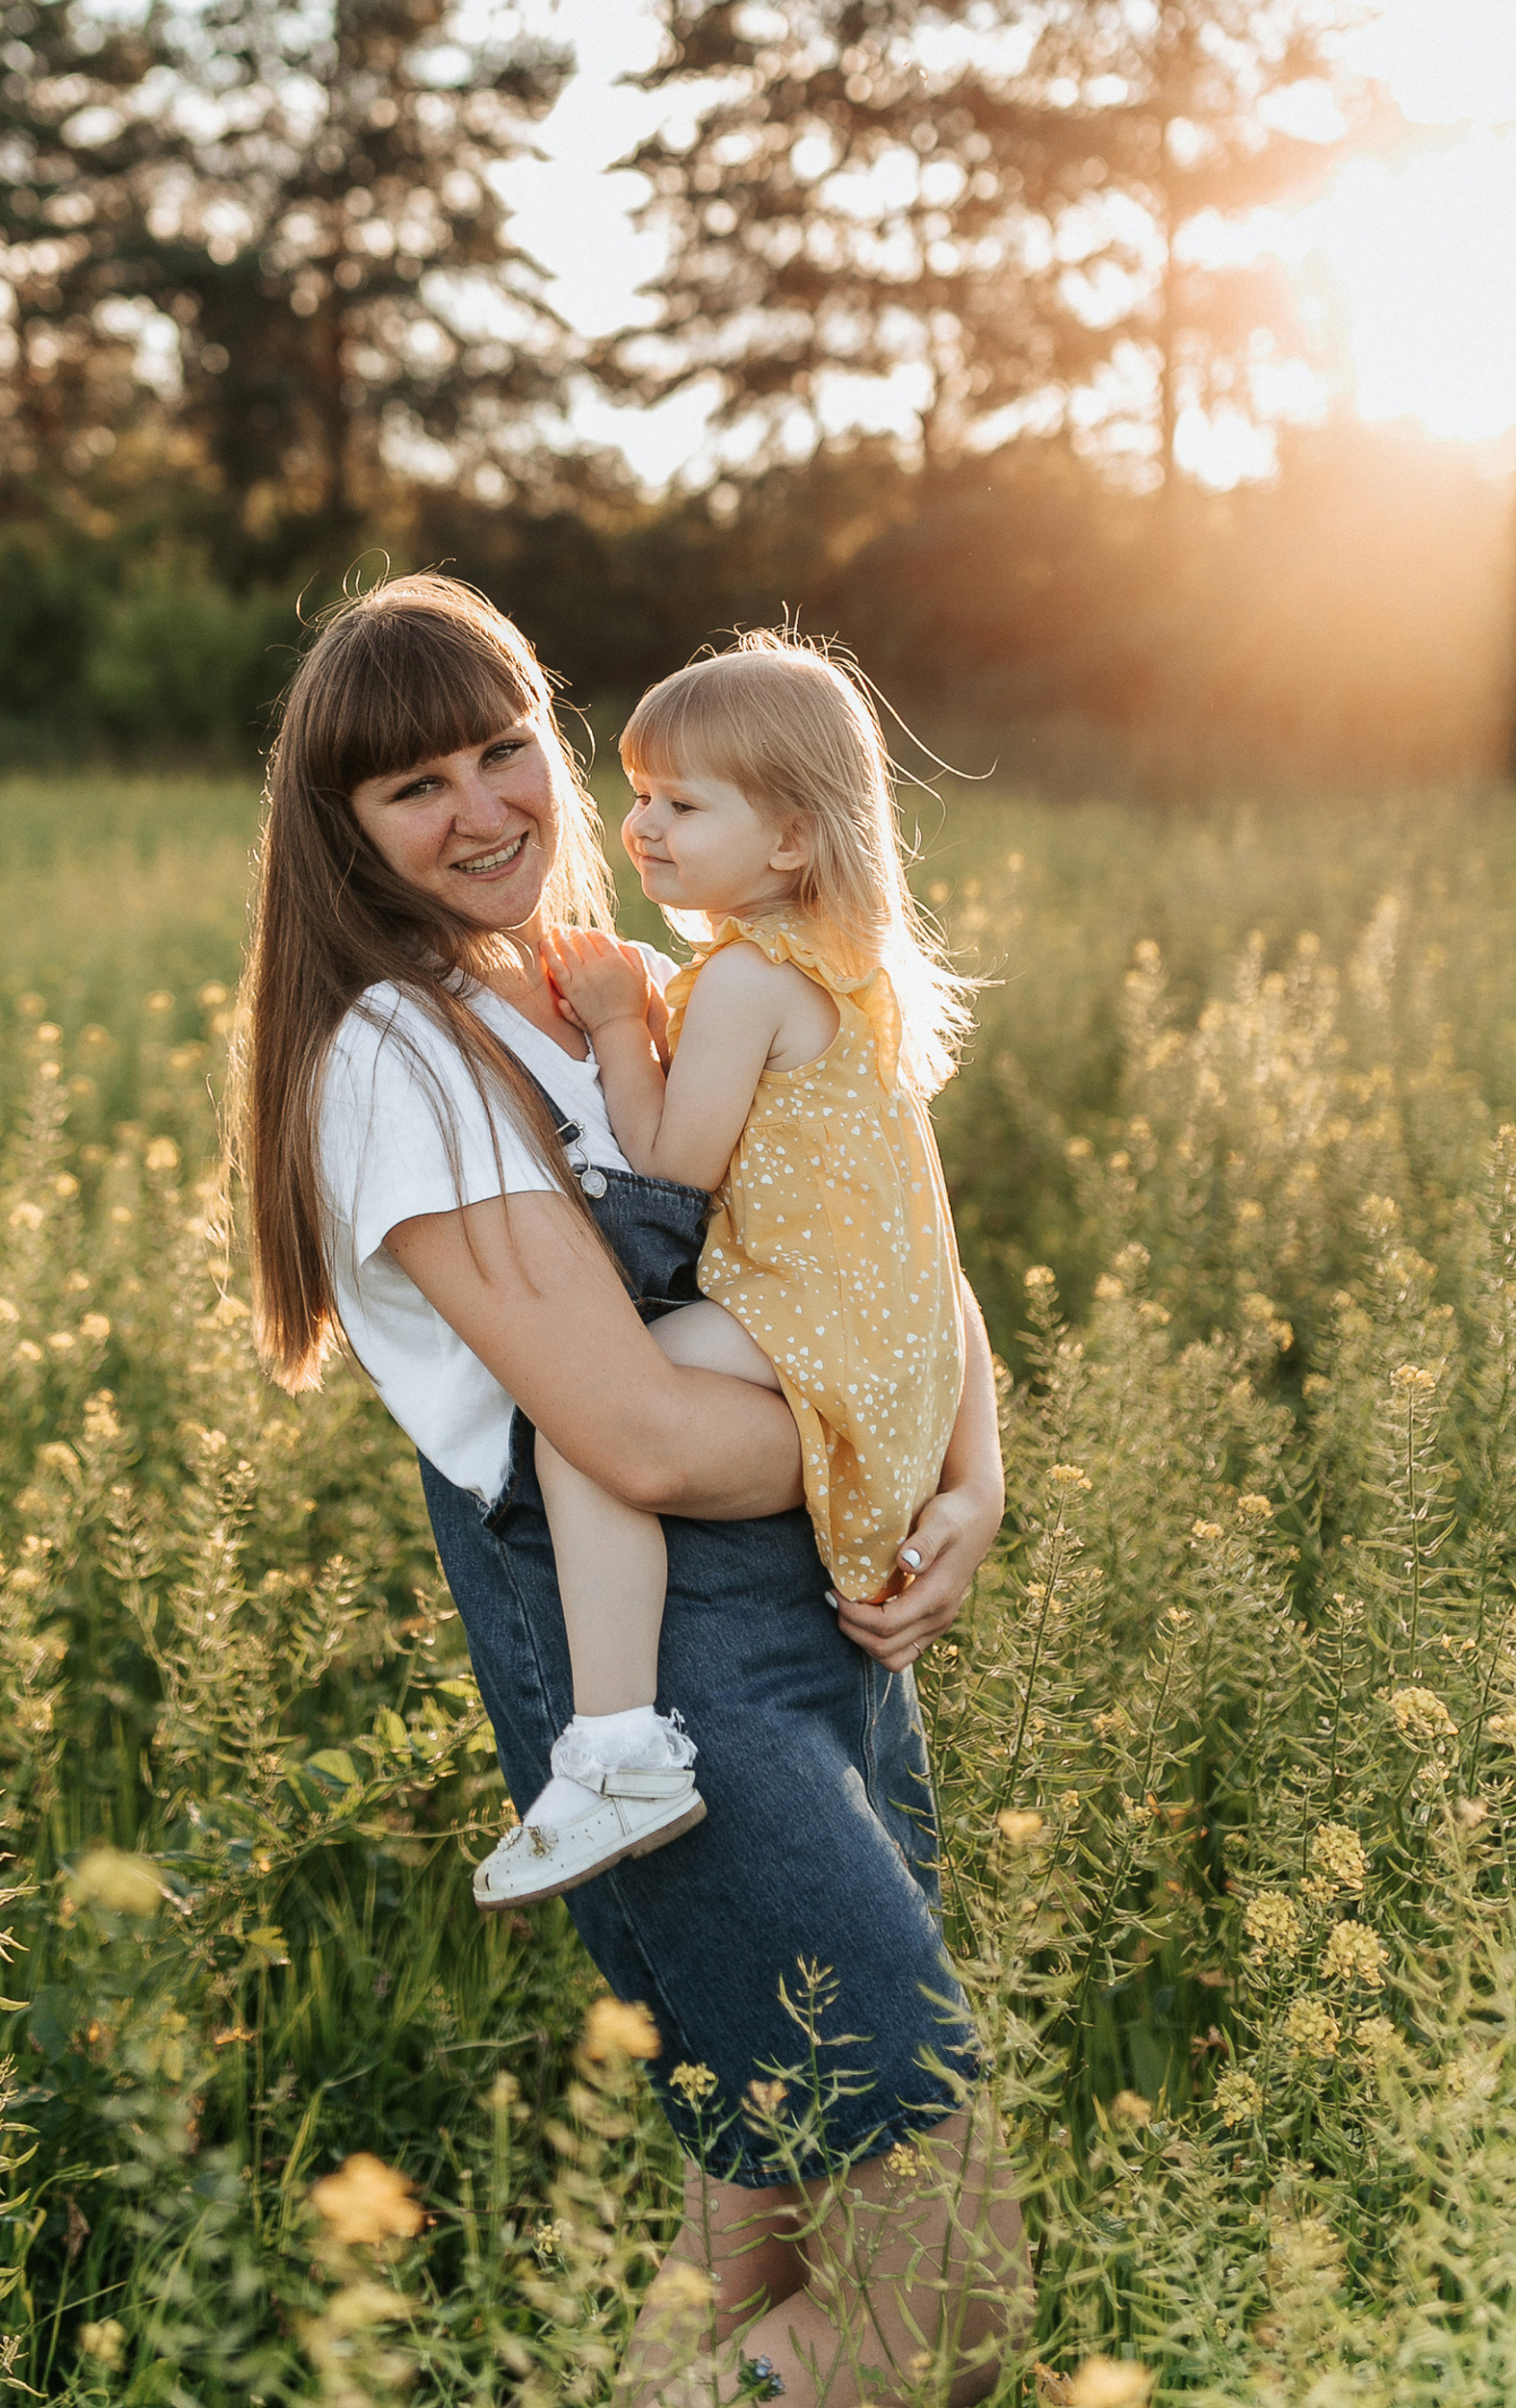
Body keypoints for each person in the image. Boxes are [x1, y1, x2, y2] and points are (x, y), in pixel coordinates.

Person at [239, 574, 1027, 2406]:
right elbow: (646, 1441)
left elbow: (875, 1239)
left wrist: (969, 1481)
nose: (486, 806)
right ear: (338, 832)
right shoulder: (395, 1058)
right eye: (413, 789)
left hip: (818, 1634)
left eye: (505, 748)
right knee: (949, 2296)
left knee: (754, 2216)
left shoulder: (630, 989)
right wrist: (876, 1454)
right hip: (659, 1693)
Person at [475, 632, 972, 1912]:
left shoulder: (747, 979)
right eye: (638, 794)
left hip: (800, 1319)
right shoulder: (835, 969)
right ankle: (620, 1744)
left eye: (684, 805)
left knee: (582, 1424)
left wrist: (617, 1022)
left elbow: (667, 1165)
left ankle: (618, 1743)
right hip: (870, 1331)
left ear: (795, 837)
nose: (641, 828)